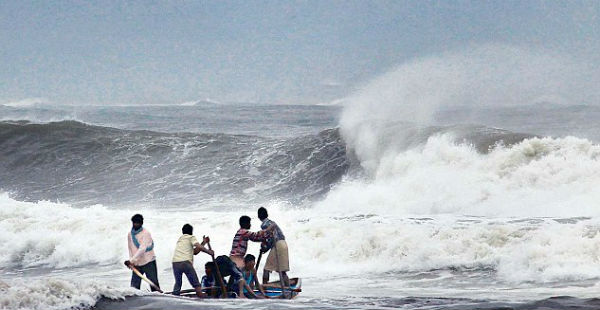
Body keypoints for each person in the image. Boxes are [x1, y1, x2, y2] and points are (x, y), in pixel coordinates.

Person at [171, 224, 214, 297]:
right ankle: (201, 296)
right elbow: (198, 246)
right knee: (196, 283)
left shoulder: (180, 239)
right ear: (191, 232)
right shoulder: (191, 237)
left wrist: (203, 242)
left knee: (178, 283)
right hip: (185, 262)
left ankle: (174, 296)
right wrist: (209, 252)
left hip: (175, 262)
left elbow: (195, 252)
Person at [125, 214, 160, 291]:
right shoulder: (130, 234)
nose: (135, 225)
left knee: (154, 284)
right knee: (134, 287)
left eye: (137, 223)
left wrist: (131, 260)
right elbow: (130, 248)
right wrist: (132, 262)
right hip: (137, 263)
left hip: (148, 261)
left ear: (141, 224)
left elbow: (142, 249)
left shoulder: (146, 233)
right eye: (134, 223)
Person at [258, 207, 290, 286]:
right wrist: (265, 249)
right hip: (283, 244)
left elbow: (271, 237)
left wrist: (264, 248)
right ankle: (288, 287)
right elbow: (272, 239)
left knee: (266, 269)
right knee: (281, 271)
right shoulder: (271, 222)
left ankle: (264, 288)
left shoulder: (264, 225)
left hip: (277, 245)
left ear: (259, 216)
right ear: (267, 214)